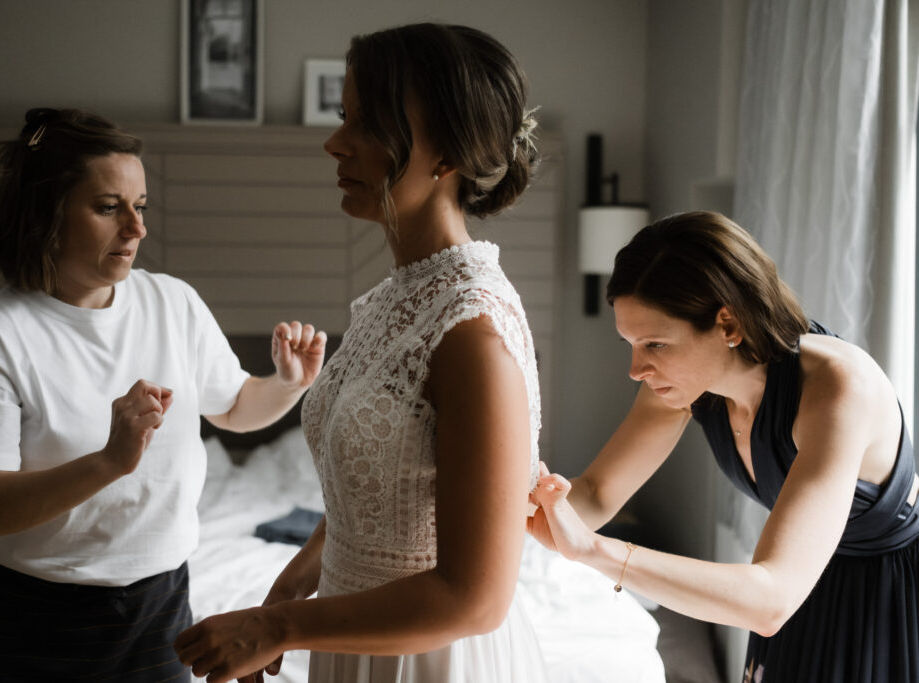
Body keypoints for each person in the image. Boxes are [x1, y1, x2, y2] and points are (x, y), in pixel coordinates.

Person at [174, 23, 547, 683]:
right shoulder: (391, 303)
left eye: (368, 124)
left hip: (430, 657)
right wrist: (292, 585)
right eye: (345, 117)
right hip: (357, 639)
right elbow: (373, 496)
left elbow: (477, 598)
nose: (335, 142)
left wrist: (279, 627)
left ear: (446, 154)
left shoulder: (471, 335)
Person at [0, 107, 326, 682]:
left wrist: (288, 383)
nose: (136, 229)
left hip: (156, 609)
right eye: (108, 207)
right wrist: (109, 463)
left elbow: (237, 408)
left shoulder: (174, 303)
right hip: (23, 618)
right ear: (46, 213)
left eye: (140, 207)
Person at [529, 210, 919, 683]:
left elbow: (771, 599)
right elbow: (595, 492)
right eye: (630, 343)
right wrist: (519, 504)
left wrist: (593, 551)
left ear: (728, 325)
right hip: (789, 586)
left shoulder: (838, 387)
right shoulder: (688, 385)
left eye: (655, 344)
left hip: (876, 603)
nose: (637, 369)